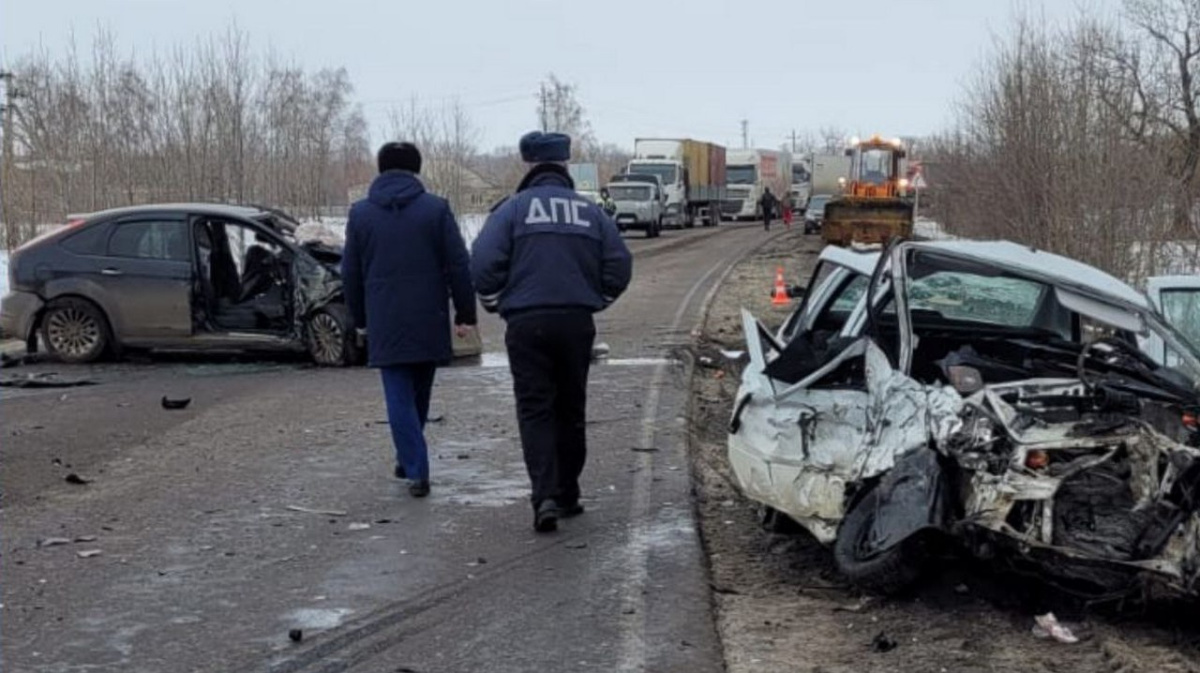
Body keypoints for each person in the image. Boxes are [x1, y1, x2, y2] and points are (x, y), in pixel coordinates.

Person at [471, 131, 633, 533]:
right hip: (576, 321)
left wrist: (496, 300)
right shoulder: (589, 212)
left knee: (535, 408)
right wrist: (596, 298)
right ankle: (568, 492)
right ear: (564, 166)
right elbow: (619, 265)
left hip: (525, 322)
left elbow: (481, 264)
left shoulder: (511, 210)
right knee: (570, 408)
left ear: (529, 166)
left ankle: (543, 495)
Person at [341, 142, 477, 498]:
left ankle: (411, 463)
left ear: (380, 169)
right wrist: (464, 312)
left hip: (384, 318)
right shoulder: (436, 210)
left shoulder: (361, 215)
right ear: (416, 169)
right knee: (420, 391)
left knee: (398, 394)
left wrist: (359, 318)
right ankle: (415, 465)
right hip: (428, 315)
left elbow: (350, 273)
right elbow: (459, 265)